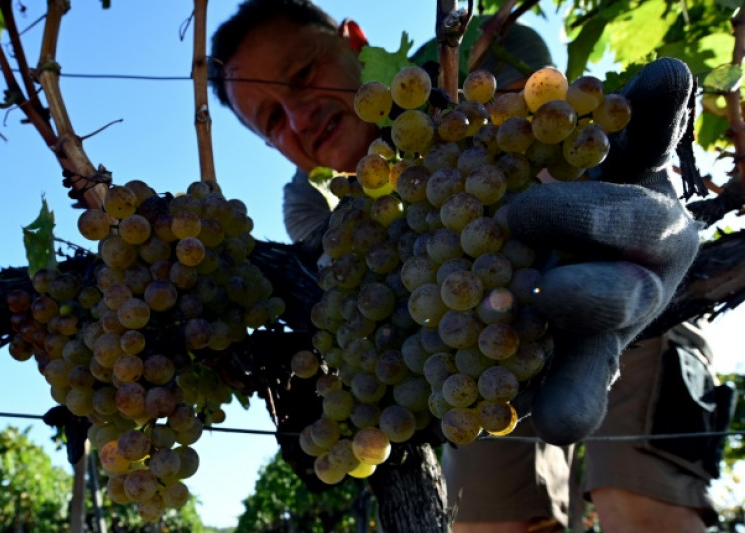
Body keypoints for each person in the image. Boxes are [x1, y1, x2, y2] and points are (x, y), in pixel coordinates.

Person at [209, 1, 724, 531]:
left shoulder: (476, 62)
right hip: (473, 348)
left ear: (355, 40)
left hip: (614, 286)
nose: (298, 117)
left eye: (302, 75)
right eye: (272, 118)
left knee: (640, 505)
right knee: (490, 523)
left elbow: (544, 167)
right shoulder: (311, 203)